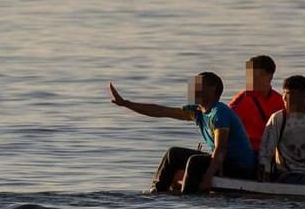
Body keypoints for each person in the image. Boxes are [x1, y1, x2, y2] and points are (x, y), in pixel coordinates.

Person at [110, 72, 257, 192]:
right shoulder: (197, 112)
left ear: (212, 89)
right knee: (173, 154)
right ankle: (157, 193)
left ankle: (188, 199)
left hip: (240, 167)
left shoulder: (220, 113)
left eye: (198, 86)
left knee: (195, 161)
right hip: (222, 161)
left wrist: (207, 179)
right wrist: (126, 103)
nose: (192, 90)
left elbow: (220, 149)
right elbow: (161, 111)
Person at [228, 55, 285, 151]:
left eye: (254, 76)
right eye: (248, 75)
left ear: (269, 76)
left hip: (273, 151)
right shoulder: (241, 100)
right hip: (247, 151)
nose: (249, 80)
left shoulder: (281, 101)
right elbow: (223, 124)